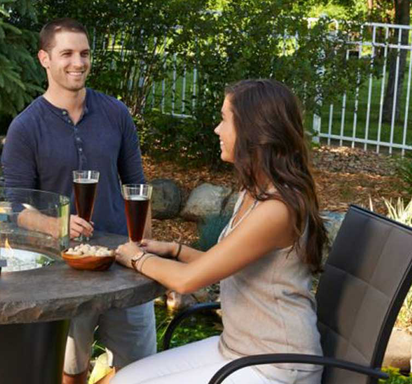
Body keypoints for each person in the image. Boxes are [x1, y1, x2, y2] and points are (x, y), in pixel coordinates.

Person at [112, 79, 327, 384]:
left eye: (225, 119)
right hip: (238, 348)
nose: (217, 129)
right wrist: (173, 249)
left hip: (277, 365)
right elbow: (224, 263)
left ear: (254, 130)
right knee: (125, 380)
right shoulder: (254, 192)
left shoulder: (278, 209)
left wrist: (135, 258)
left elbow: (187, 282)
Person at [1, 18, 157, 384]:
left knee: (142, 373)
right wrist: (56, 224)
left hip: (122, 265)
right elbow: (14, 209)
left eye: (84, 53)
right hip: (62, 273)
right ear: (44, 59)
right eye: (67, 53)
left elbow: (137, 187)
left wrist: (145, 256)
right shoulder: (25, 127)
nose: (78, 62)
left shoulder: (116, 114)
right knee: (69, 372)